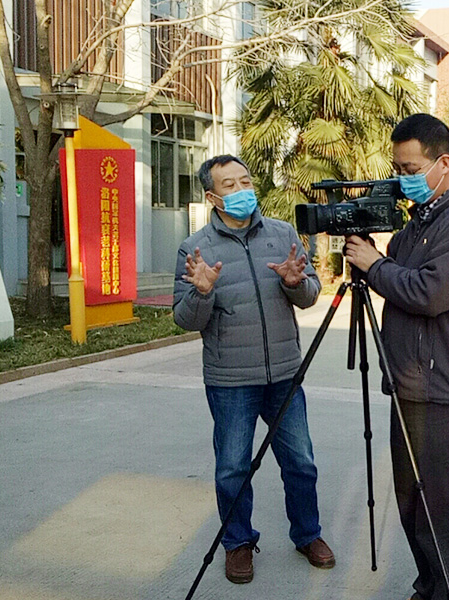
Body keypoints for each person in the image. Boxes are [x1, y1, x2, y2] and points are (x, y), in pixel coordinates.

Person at [344, 114, 449, 600]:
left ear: (443, 163)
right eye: (397, 168)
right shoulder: (423, 216)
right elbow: (396, 271)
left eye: (410, 169)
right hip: (410, 380)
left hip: (444, 386)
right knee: (412, 503)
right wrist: (371, 253)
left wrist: (375, 265)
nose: (402, 178)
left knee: (443, 511)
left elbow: (429, 292)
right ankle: (429, 587)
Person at [173, 155, 334, 585]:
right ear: (212, 197)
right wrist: (202, 292)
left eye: (245, 180)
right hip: (230, 381)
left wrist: (295, 283)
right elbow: (185, 319)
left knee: (301, 462)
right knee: (232, 468)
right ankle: (238, 542)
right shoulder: (195, 249)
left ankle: (307, 534)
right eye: (230, 185)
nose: (242, 190)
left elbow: (310, 293)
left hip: (284, 374)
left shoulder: (282, 234)